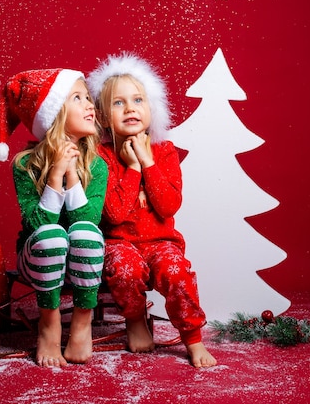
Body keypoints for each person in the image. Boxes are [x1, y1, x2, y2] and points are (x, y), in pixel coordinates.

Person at [87, 53, 217, 368]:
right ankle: (134, 320)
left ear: (150, 109)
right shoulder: (100, 157)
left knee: (177, 272)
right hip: (120, 241)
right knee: (125, 269)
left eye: (137, 100)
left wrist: (147, 162)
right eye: (118, 103)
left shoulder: (164, 151)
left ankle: (192, 338)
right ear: (103, 117)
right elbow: (114, 215)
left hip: (161, 242)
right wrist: (131, 168)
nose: (130, 108)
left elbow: (169, 205)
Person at [0, 68, 108, 368]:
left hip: (81, 266)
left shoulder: (97, 166)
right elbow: (36, 225)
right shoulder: (25, 165)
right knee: (52, 234)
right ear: (54, 113)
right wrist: (55, 173)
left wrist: (72, 172)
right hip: (39, 262)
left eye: (88, 98)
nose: (89, 105)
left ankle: (82, 324)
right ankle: (50, 322)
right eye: (78, 98)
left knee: (86, 231)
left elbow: (89, 219)